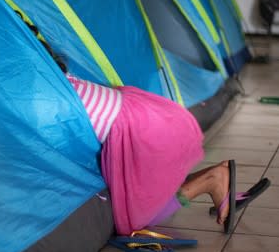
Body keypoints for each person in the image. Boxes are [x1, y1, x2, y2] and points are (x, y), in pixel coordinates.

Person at [17, 12, 270, 235]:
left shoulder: (41, 97)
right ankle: (218, 182)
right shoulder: (58, 77)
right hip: (141, 113)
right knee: (152, 192)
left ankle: (212, 179)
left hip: (134, 129)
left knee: (137, 218)